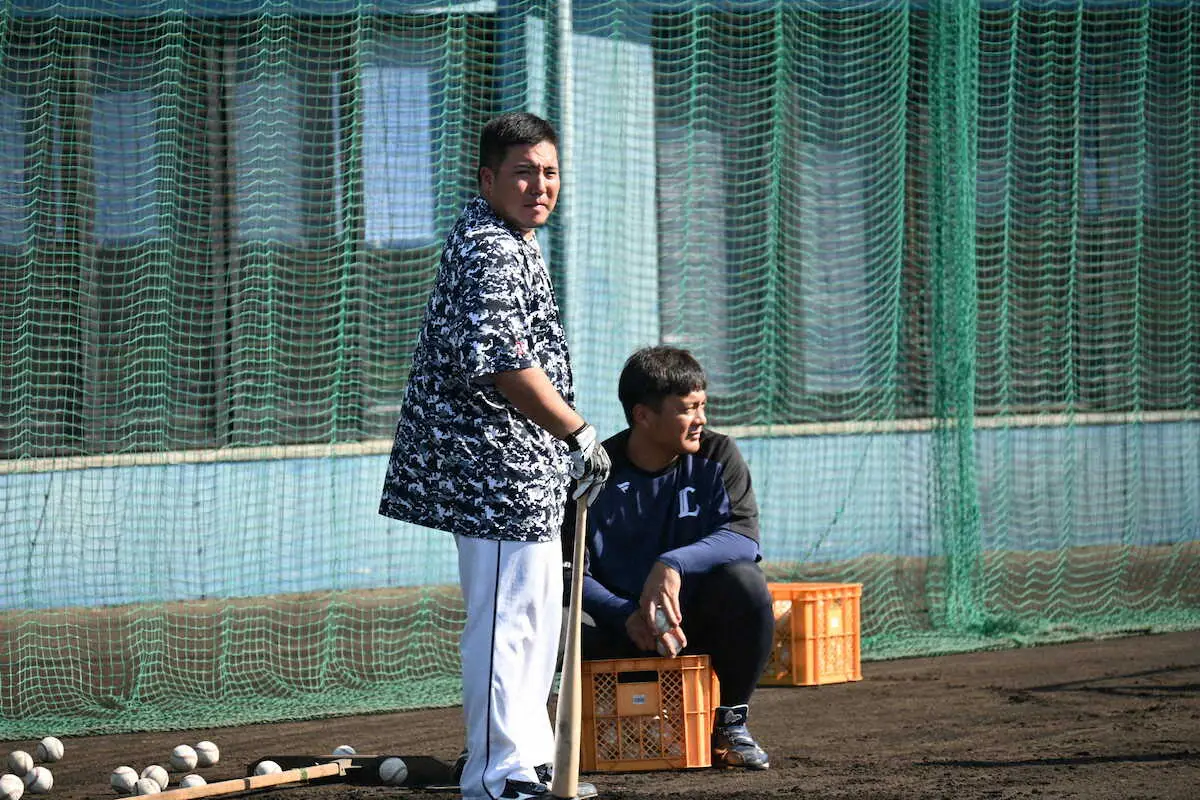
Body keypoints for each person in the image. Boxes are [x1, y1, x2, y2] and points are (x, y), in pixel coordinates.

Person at [379, 111, 609, 800]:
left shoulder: (513, 240)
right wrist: (579, 433)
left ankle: (530, 761)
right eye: (522, 172)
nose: (540, 184)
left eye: (549, 171)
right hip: (490, 471)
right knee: (508, 621)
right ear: (488, 179)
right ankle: (495, 773)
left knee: (536, 617)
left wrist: (561, 446)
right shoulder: (491, 247)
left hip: (520, 468)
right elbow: (507, 367)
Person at [567, 345, 775, 770]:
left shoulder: (719, 456)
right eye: (688, 409)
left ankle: (730, 723)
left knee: (747, 586)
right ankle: (527, 742)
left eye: (703, 406)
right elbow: (570, 570)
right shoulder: (596, 475)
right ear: (643, 415)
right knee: (548, 620)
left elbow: (743, 538)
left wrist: (672, 564)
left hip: (690, 629)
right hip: (620, 629)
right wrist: (625, 613)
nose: (701, 419)